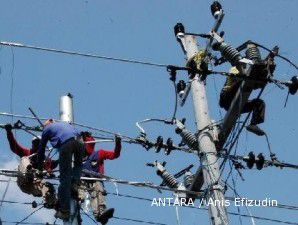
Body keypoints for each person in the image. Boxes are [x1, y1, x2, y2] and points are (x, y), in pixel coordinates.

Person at [37, 119, 84, 220]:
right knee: (78, 165)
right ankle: (75, 183)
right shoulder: (63, 124)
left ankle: (65, 211)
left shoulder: (47, 129)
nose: (43, 128)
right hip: (80, 142)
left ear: (48, 124)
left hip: (67, 144)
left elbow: (41, 150)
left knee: (65, 179)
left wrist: (40, 170)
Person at [4, 123, 57, 208]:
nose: (36, 146)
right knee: (24, 159)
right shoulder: (27, 153)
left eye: (38, 144)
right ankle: (29, 171)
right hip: (23, 181)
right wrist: (9, 132)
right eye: (35, 143)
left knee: (48, 187)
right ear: (32, 145)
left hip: (34, 186)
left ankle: (52, 203)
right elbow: (14, 146)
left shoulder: (46, 161)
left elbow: (57, 163)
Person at [79, 132, 122, 225]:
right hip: (81, 181)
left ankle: (101, 213)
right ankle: (76, 205)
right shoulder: (77, 158)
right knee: (79, 190)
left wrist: (118, 143)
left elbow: (115, 154)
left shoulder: (99, 154)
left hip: (94, 180)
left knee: (97, 189)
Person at [219, 66, 266, 136]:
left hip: (238, 101)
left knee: (259, 103)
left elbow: (254, 85)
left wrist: (262, 80)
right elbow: (238, 79)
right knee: (242, 81)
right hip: (226, 97)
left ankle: (253, 124)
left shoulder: (248, 72)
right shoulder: (236, 68)